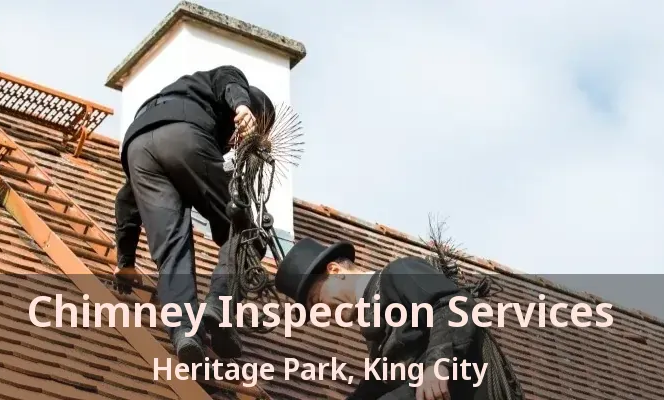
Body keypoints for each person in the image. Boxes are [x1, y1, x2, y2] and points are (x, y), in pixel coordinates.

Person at [113, 65, 276, 365]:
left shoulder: (180, 94)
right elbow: (230, 79)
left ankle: (185, 332)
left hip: (136, 146)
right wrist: (243, 106)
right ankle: (220, 308)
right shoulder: (229, 86)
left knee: (171, 249)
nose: (235, 143)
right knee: (248, 232)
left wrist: (125, 261)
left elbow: (127, 198)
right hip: (185, 135)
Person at [274, 238, 491, 400]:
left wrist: (436, 365)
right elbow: (375, 386)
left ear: (335, 270)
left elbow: (455, 305)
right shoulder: (375, 336)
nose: (322, 312)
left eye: (316, 300)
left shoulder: (396, 274)